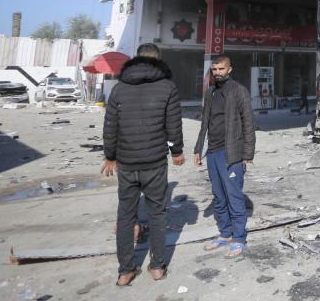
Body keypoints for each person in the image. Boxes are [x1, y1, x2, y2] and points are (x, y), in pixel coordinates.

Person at [101, 43, 184, 286]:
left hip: (126, 163)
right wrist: (176, 151)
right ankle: (157, 267)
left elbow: (110, 126)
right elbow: (173, 125)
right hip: (155, 161)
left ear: (137, 59)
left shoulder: (119, 88)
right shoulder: (168, 87)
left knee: (126, 215)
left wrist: (110, 155)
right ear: (159, 60)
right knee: (157, 213)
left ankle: (126, 271)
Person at [193, 55, 256, 259]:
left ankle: (239, 239)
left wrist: (248, 154)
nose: (217, 72)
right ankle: (225, 234)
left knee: (234, 198)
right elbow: (205, 123)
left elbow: (248, 123)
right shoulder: (211, 92)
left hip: (232, 154)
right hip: (212, 153)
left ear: (230, 69)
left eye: (221, 69)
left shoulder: (239, 91)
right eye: (214, 69)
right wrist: (198, 148)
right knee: (219, 197)